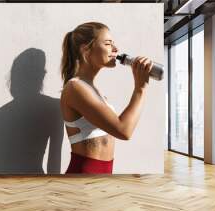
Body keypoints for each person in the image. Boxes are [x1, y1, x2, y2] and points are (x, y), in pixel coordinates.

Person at [60, 22, 152, 174]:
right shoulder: (75, 88)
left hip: (103, 173)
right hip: (84, 176)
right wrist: (140, 89)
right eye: (108, 44)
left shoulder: (92, 89)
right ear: (85, 49)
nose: (115, 49)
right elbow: (123, 130)